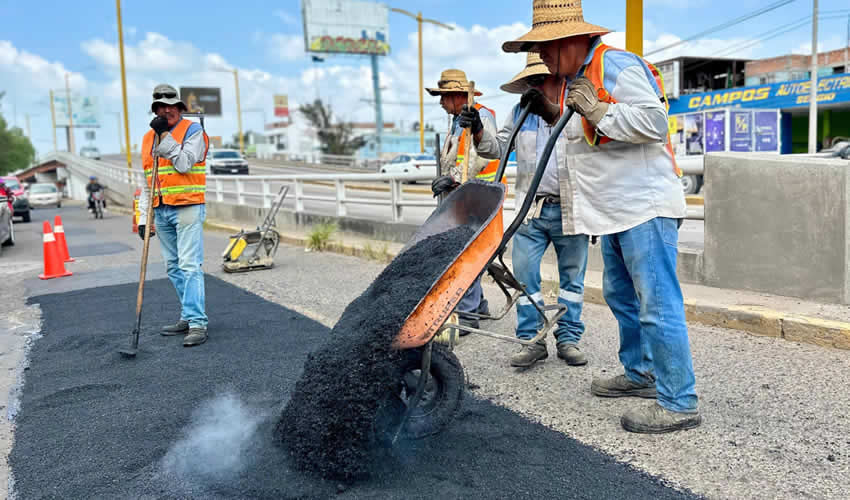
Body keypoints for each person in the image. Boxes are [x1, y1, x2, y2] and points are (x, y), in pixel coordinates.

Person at [501, 0, 701, 433]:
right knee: (623, 299)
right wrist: (554, 113)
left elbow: (655, 123)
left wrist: (596, 109)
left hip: (644, 208)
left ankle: (679, 401)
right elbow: (582, 136)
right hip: (614, 213)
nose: (544, 58)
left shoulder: (615, 66)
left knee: (657, 304)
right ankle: (640, 374)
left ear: (572, 39)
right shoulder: (577, 79)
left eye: (548, 48)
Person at [472, 53, 589, 368]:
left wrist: (552, 112)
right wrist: (478, 131)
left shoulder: (576, 107)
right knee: (524, 277)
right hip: (531, 211)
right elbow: (496, 148)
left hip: (571, 208)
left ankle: (568, 338)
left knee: (572, 280)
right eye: (531, 81)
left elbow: (589, 143)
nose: (535, 85)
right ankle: (532, 340)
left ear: (557, 76)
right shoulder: (519, 112)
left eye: (540, 79)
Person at [426, 69, 499, 331]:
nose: (441, 102)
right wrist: (445, 178)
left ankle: (468, 316)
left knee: (466, 256)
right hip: (460, 199)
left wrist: (453, 178)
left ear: (457, 96)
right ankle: (477, 306)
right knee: (463, 254)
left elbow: (481, 157)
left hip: (478, 198)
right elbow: (454, 157)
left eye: (444, 97)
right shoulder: (455, 122)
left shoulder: (481, 116)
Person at [138, 83, 211, 347]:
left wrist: (165, 137)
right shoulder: (148, 138)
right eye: (161, 105)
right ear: (155, 108)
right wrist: (143, 218)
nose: (166, 110)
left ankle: (198, 323)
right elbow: (147, 179)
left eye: (171, 105)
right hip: (161, 209)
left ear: (179, 107)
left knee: (190, 265)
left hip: (188, 207)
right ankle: (188, 315)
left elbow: (182, 164)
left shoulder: (194, 131)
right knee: (173, 267)